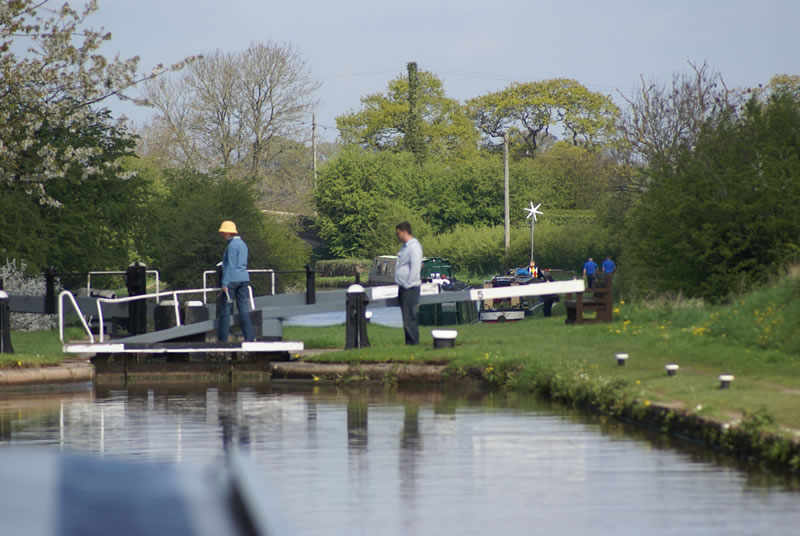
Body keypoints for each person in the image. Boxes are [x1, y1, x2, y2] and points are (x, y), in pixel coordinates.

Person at [217, 220, 255, 342]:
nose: (222, 235)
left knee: (226, 310)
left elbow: (230, 266)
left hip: (232, 280)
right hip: (244, 279)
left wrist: (224, 283)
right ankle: (249, 337)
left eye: (223, 232)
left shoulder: (232, 246)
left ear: (229, 232)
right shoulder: (243, 244)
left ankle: (223, 340)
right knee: (243, 309)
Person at [394, 221, 423, 345]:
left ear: (404, 232)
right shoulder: (405, 247)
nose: (397, 236)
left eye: (398, 234)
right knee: (406, 317)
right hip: (403, 287)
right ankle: (408, 342)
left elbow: (415, 267)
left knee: (410, 317)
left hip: (410, 287)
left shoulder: (414, 247)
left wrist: (408, 284)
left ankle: (413, 342)